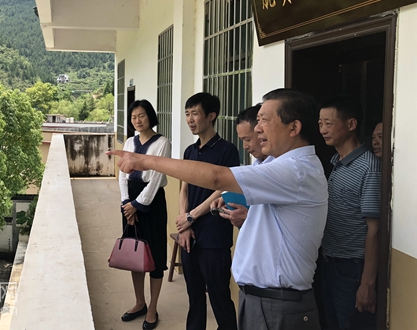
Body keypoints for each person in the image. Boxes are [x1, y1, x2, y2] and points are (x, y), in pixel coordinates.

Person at [108, 88, 328, 330]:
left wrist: (144, 160)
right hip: (263, 299)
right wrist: (248, 216)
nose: (257, 129)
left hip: (278, 304)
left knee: (218, 296)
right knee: (195, 295)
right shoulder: (276, 165)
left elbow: (216, 178)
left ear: (294, 128)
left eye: (264, 120)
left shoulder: (295, 170)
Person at [174, 92, 239, 330]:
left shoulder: (227, 150)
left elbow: (223, 188)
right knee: (194, 297)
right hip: (189, 234)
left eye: (195, 114)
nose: (190, 120)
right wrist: (184, 224)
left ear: (211, 116)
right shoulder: (189, 151)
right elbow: (184, 189)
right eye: (187, 114)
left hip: (214, 234)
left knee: (219, 296)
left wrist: (192, 216)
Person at [319, 97, 381, 329]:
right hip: (329, 262)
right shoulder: (336, 162)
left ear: (351, 124)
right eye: (320, 124)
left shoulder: (369, 166)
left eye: (328, 123)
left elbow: (374, 229)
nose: (322, 130)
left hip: (351, 269)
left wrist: (367, 283)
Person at [118, 99, 171, 330]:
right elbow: (123, 175)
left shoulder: (162, 143)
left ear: (150, 116)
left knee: (155, 255)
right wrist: (126, 203)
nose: (137, 120)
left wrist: (137, 206)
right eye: (133, 117)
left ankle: (152, 308)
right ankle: (139, 302)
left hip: (152, 202)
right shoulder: (130, 142)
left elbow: (157, 178)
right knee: (135, 252)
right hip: (130, 200)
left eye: (141, 115)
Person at [218, 103, 273, 228]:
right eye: (242, 140)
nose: (245, 146)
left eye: (248, 140)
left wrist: (248, 217)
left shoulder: (279, 168)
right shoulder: (257, 164)